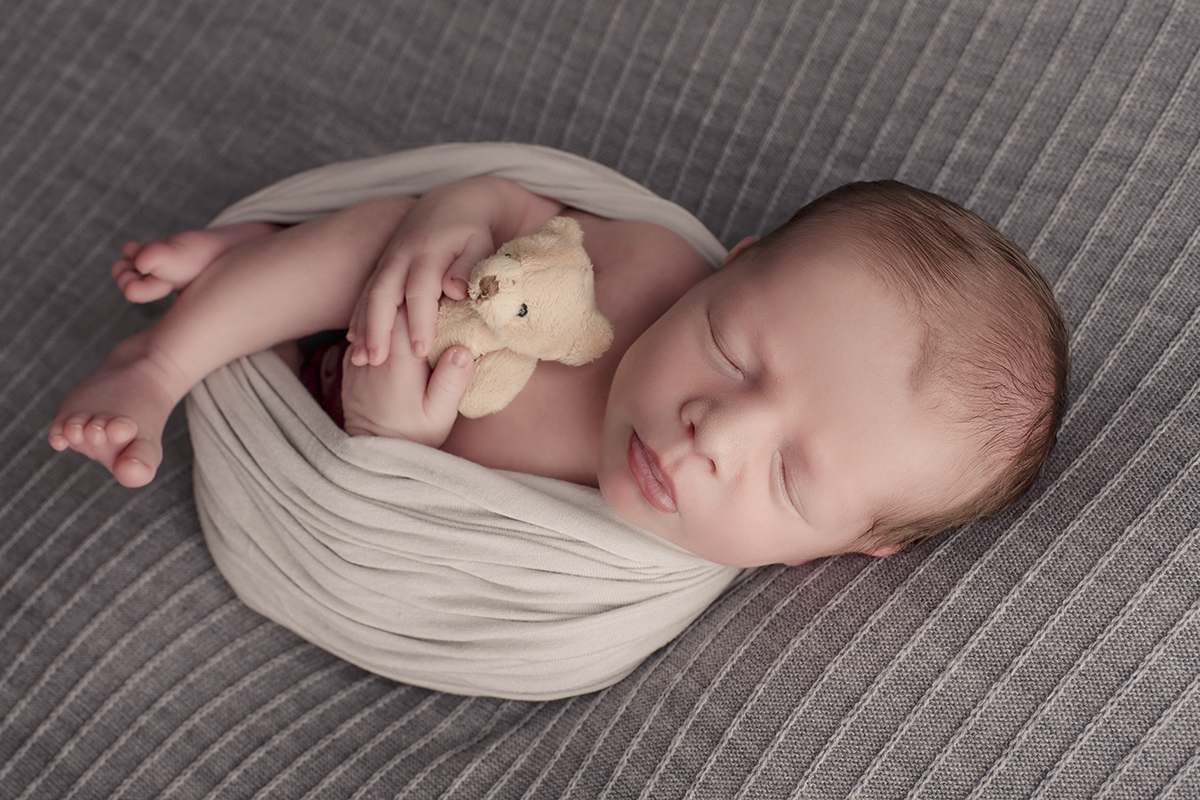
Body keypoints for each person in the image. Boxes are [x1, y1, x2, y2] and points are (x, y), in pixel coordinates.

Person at [47, 176, 1068, 569]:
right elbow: (513, 212)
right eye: (733, 350)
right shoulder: (653, 268)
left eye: (792, 479)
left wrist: (394, 442)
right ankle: (165, 355)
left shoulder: (621, 559)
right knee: (389, 245)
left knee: (371, 296)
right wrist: (462, 214)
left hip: (351, 414)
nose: (716, 431)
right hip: (375, 311)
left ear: (855, 543)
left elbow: (423, 558)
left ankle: (245, 270)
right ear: (736, 263)